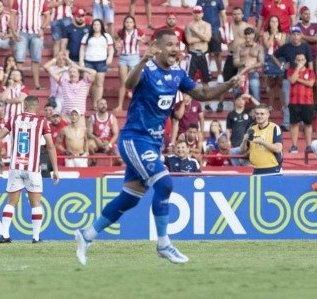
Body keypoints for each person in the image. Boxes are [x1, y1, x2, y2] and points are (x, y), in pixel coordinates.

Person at [74, 29, 246, 265]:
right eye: (170, 44)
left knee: (131, 197)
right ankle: (164, 243)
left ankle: (87, 234)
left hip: (152, 143)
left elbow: (203, 93)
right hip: (135, 138)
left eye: (177, 44)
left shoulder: (177, 73)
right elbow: (129, 82)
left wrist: (228, 84)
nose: (175, 48)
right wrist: (143, 59)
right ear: (157, 47)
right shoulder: (147, 69)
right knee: (165, 183)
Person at [0, 96, 60, 244]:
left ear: (24, 106)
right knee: (36, 203)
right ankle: (36, 237)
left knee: (11, 202)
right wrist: (55, 169)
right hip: (32, 168)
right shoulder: (41, 121)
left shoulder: (13, 119)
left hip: (15, 167)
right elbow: (50, 146)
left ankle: (4, 235)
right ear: (37, 107)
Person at [11, 0, 50, 90]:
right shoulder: (19, 1)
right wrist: (14, 33)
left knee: (36, 59)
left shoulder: (41, 2)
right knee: (19, 59)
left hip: (36, 34)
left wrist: (42, 28)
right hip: (22, 33)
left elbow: (48, 16)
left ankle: (37, 84)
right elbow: (12, 16)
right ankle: (18, 84)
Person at [240, 104, 283, 175]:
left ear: (268, 115)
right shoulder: (251, 128)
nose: (259, 116)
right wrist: (244, 141)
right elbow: (242, 150)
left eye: (262, 114)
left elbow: (278, 148)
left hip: (273, 170)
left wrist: (262, 142)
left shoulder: (274, 127)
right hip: (256, 170)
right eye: (257, 113)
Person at [116, 15, 147, 111]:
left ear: (134, 24)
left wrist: (141, 40)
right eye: (127, 22)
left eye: (130, 22)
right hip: (123, 57)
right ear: (124, 24)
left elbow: (145, 40)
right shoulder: (121, 32)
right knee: (123, 82)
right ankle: (120, 106)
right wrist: (117, 45)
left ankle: (136, 105)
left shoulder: (138, 31)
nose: (128, 24)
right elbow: (118, 40)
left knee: (135, 82)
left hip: (134, 57)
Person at [80, 19, 114, 104]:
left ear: (101, 26)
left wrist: (110, 57)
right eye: (94, 24)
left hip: (101, 62)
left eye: (98, 24)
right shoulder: (87, 36)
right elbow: (82, 49)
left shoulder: (106, 36)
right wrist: (81, 60)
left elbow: (111, 49)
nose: (96, 26)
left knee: (99, 83)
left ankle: (97, 103)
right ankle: (81, 103)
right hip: (89, 62)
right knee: (86, 83)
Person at [287, 53, 315, 154]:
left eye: (302, 60)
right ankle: (294, 145)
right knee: (294, 124)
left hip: (307, 102)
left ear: (305, 61)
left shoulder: (310, 72)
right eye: (298, 60)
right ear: (295, 61)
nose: (300, 62)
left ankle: (308, 145)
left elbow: (310, 83)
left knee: (308, 124)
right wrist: (298, 69)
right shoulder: (291, 71)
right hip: (294, 101)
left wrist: (298, 79)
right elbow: (292, 80)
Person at [233, 27, 264, 104]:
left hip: (253, 73)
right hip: (241, 74)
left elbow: (261, 62)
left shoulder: (259, 47)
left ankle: (256, 112)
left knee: (255, 94)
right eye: (246, 34)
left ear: (253, 35)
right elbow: (235, 62)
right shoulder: (239, 47)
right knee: (237, 94)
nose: (248, 36)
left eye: (250, 34)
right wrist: (243, 64)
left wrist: (250, 66)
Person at [186, 6, 212, 85]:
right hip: (192, 53)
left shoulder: (207, 25)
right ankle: (188, 97)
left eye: (199, 13)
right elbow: (189, 41)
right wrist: (203, 37)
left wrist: (196, 31)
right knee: (189, 80)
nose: (197, 15)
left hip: (204, 53)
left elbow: (208, 39)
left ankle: (206, 97)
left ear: (202, 14)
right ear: (192, 14)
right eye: (195, 13)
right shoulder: (189, 25)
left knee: (206, 80)